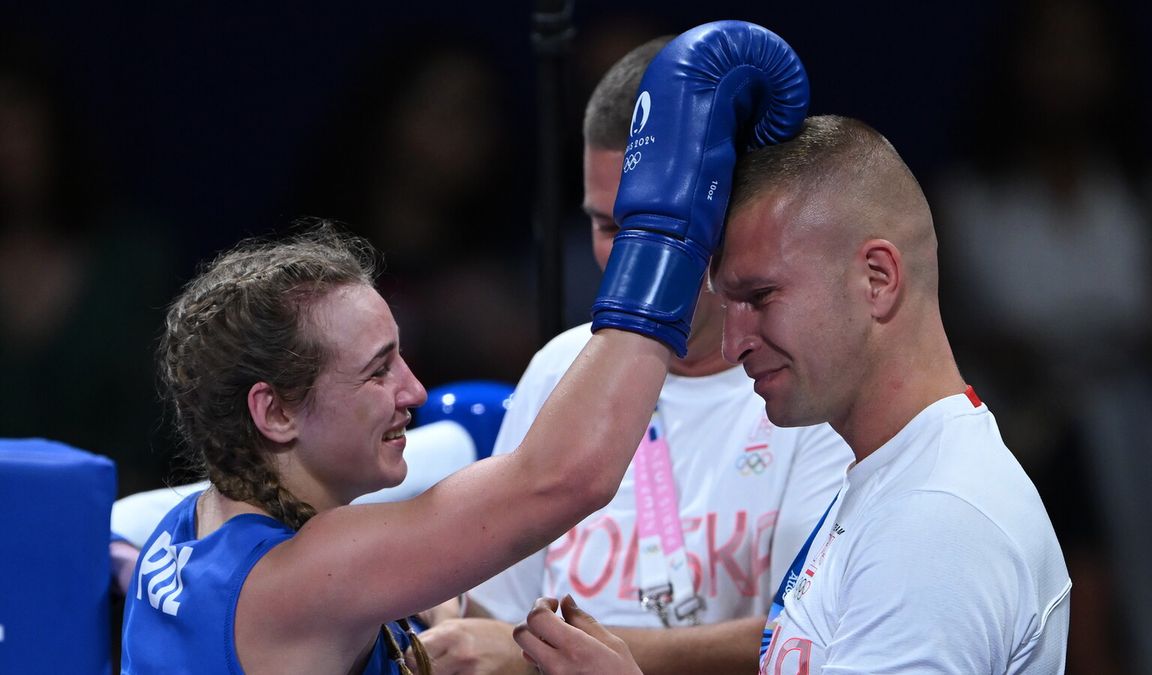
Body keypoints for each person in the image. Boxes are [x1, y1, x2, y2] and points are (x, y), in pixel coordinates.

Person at [121, 21, 809, 674]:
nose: (415, 393)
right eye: (377, 370)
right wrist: (668, 235)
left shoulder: (183, 531)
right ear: (273, 413)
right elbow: (565, 476)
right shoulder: (313, 574)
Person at [514, 115, 1073, 674]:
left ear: (877, 278)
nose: (733, 345)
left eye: (759, 296)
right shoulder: (893, 481)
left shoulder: (937, 521)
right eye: (726, 304)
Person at [414, 36, 850, 675]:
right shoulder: (560, 370)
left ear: (721, 208)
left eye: (650, 227)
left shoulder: (816, 388)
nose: (627, 259)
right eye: (607, 226)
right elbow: (490, 622)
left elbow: (819, 635)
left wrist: (540, 654)